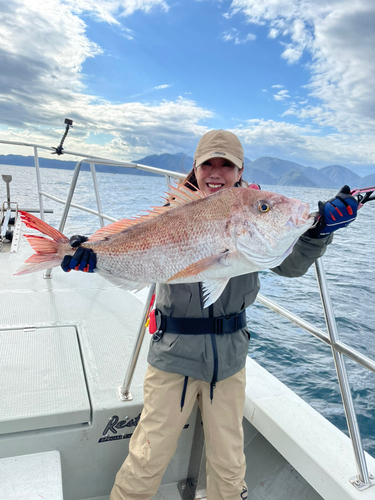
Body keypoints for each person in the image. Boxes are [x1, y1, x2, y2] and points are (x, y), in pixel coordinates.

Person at [61, 130, 358, 500]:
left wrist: (318, 232)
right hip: (173, 357)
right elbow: (134, 246)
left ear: (240, 171)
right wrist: (91, 254)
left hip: (230, 361)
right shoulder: (174, 211)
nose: (216, 173)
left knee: (230, 466)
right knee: (146, 459)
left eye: (226, 165)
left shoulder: (249, 211)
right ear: (195, 168)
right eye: (208, 164)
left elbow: (290, 265)